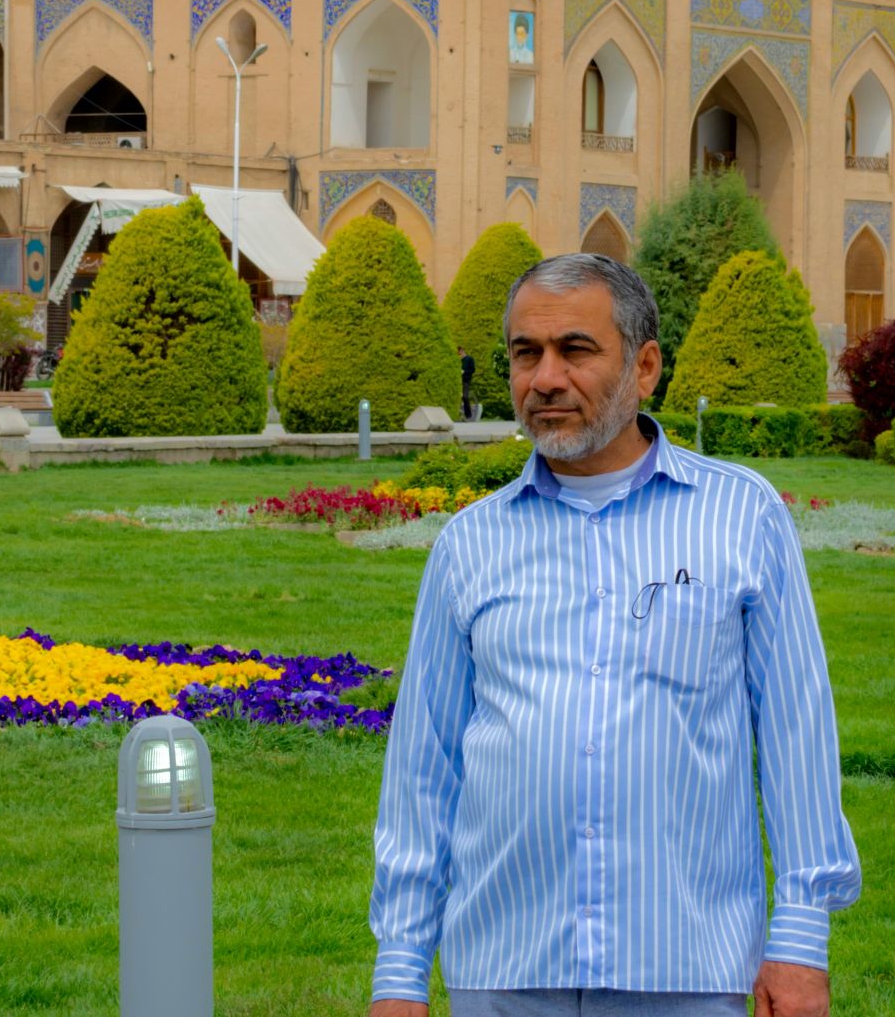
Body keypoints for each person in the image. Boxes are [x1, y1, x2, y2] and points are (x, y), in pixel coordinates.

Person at [368, 254, 860, 1017]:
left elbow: (798, 734)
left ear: (646, 366)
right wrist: (400, 972)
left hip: (689, 968)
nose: (545, 379)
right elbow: (423, 771)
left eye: (576, 350)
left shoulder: (741, 518)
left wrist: (799, 937)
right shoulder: (469, 545)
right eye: (525, 354)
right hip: (504, 969)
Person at [459, 347, 476, 420]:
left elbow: (473, 369)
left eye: (460, 353)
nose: (459, 355)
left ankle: (468, 414)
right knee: (460, 397)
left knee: (465, 396)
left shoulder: (469, 359)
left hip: (466, 380)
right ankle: (460, 414)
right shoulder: (459, 360)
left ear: (463, 351)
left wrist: (464, 372)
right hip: (459, 380)